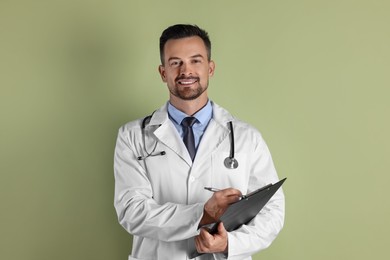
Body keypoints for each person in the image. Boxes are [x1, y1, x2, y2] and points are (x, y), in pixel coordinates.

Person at [114, 24, 285, 260]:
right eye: (175, 63)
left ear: (210, 68)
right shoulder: (132, 136)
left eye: (195, 61)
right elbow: (132, 211)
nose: (186, 71)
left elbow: (272, 212)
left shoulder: (247, 137)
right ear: (163, 72)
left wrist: (230, 243)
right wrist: (202, 215)